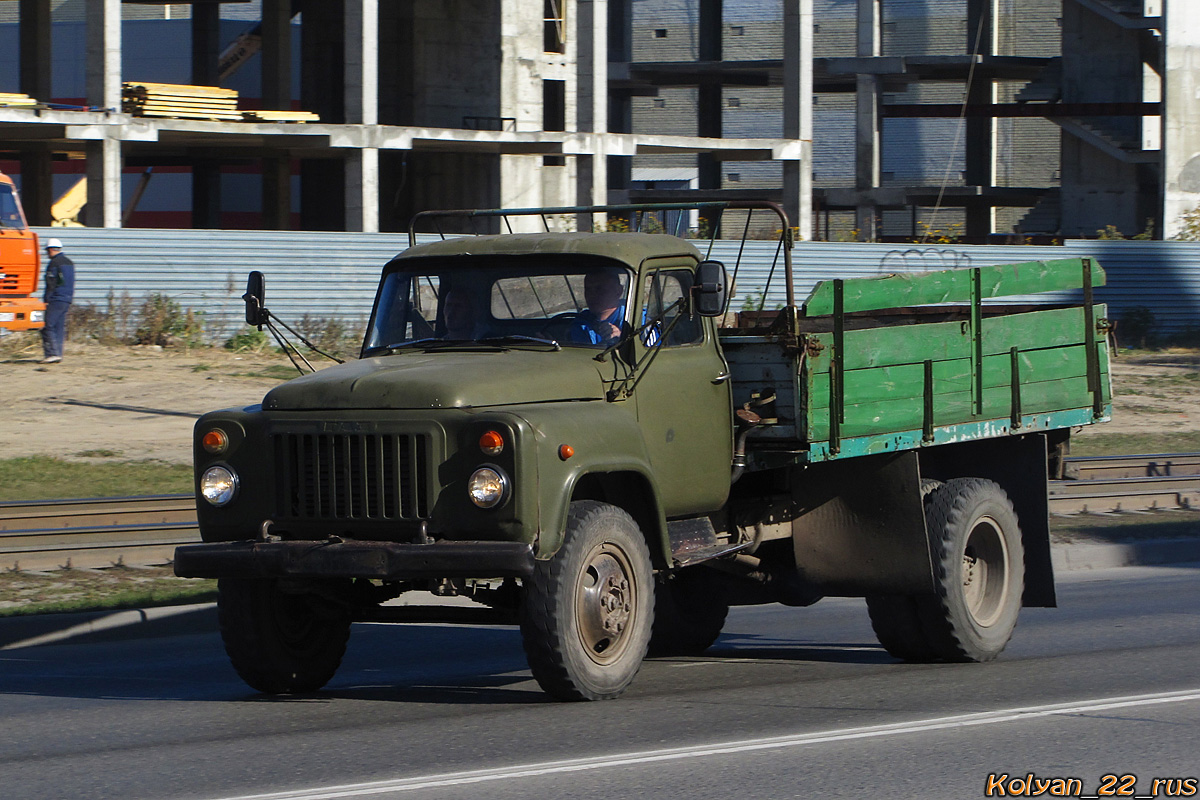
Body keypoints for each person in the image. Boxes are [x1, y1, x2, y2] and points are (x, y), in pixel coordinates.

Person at [569, 268, 627, 345]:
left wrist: (622, 339)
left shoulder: (637, 321)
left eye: (600, 289)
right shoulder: (581, 323)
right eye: (588, 289)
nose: (592, 295)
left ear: (618, 291)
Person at [40, 237, 74, 365]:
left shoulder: (54, 263)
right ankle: (58, 353)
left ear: (51, 250)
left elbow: (51, 282)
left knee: (48, 326)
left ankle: (52, 354)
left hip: (56, 298)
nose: (47, 254)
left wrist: (47, 299)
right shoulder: (69, 262)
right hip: (67, 298)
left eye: (47, 251)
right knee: (59, 327)